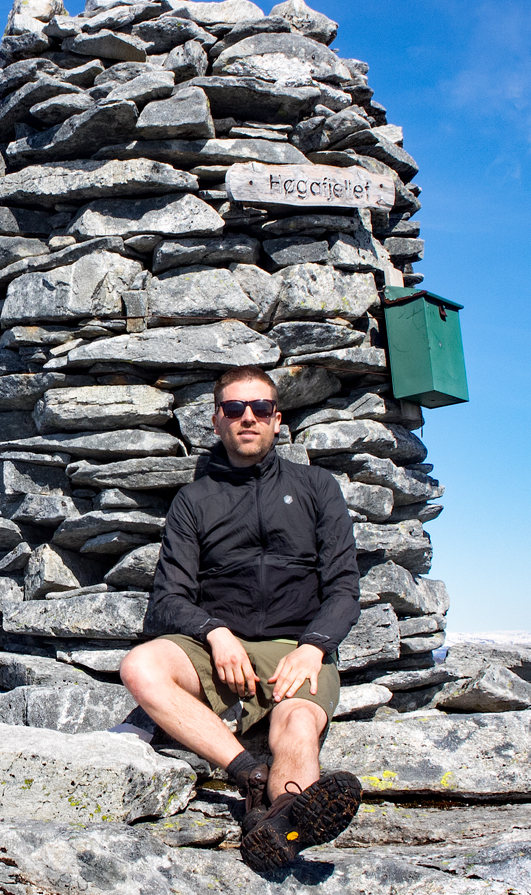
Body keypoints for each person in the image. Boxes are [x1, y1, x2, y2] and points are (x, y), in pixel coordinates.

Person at [118, 364, 364, 872]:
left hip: (295, 650)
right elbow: (167, 598)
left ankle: (281, 827)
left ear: (278, 420)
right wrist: (216, 633)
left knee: (297, 724)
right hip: (217, 650)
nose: (247, 417)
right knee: (141, 666)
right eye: (234, 408)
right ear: (216, 421)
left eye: (260, 409)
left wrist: (314, 645)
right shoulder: (194, 501)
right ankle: (250, 775)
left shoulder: (317, 487)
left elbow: (344, 588)